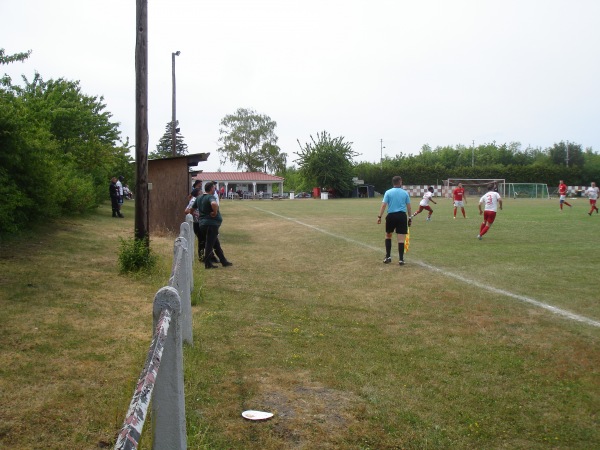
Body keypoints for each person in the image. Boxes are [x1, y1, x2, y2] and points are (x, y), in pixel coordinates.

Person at [192, 182, 233, 269]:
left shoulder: (199, 198)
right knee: (209, 244)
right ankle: (208, 263)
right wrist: (214, 212)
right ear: (211, 189)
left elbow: (191, 209)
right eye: (214, 188)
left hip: (202, 224)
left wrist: (197, 215)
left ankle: (223, 261)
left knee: (215, 244)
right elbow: (214, 204)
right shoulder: (210, 197)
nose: (214, 190)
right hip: (211, 224)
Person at [377, 176, 412, 265]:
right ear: (400, 182)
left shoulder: (388, 192)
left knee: (388, 236)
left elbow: (383, 205)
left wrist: (379, 216)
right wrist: (410, 217)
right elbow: (408, 206)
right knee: (401, 239)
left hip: (391, 216)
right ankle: (401, 259)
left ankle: (388, 257)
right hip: (401, 216)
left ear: (393, 183)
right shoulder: (405, 193)